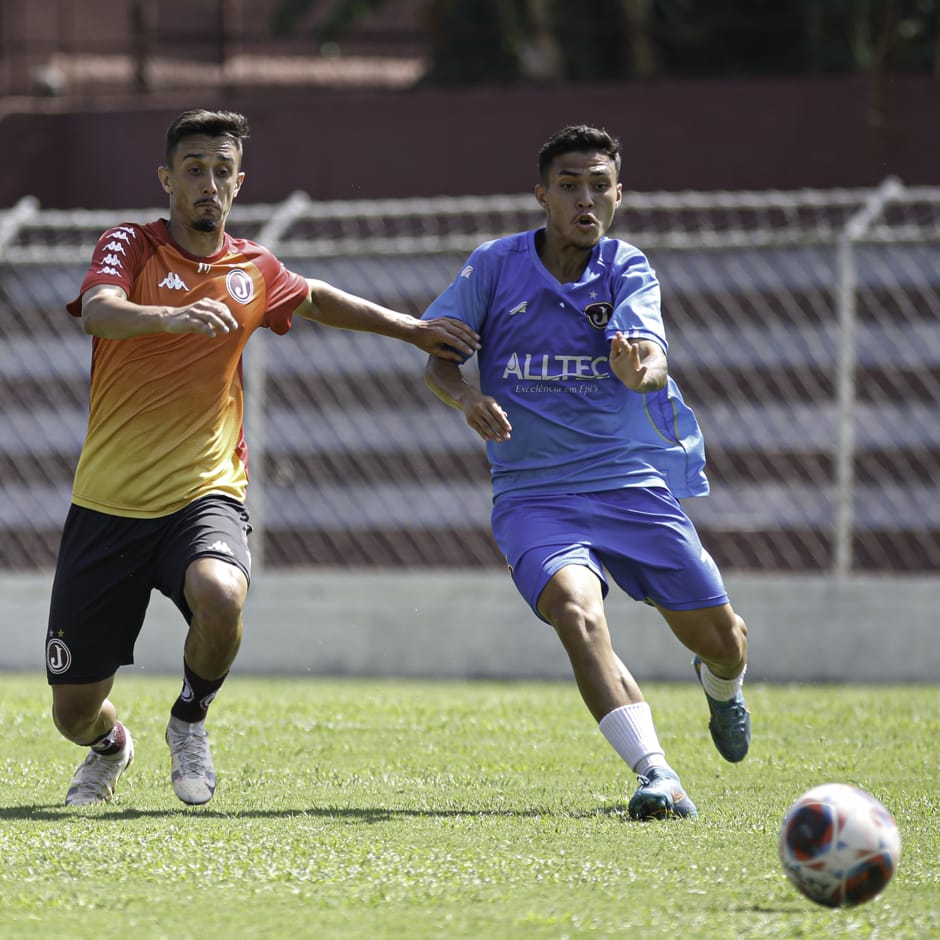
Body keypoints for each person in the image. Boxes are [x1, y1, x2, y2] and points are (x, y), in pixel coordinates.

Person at [47, 108, 480, 807]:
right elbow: (99, 310)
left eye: (222, 171)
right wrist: (172, 316)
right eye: (193, 170)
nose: (208, 185)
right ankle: (111, 746)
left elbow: (316, 299)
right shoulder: (130, 244)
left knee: (221, 593)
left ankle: (189, 720)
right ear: (166, 179)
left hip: (204, 491)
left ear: (239, 182)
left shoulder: (253, 266)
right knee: (72, 713)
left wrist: (413, 330)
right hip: (107, 507)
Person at [422, 125, 750, 819]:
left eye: (599, 185)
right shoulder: (494, 266)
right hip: (532, 496)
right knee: (576, 610)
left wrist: (641, 372)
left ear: (619, 195)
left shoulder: (627, 269)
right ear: (542, 194)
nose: (585, 198)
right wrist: (468, 397)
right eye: (569, 185)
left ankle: (721, 688)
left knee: (726, 642)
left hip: (629, 485)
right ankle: (656, 774)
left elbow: (652, 353)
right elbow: (438, 356)